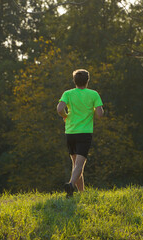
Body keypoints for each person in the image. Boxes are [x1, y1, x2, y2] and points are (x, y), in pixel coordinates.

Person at [57, 69, 104, 198]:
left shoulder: (68, 93)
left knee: (76, 165)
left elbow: (59, 109)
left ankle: (81, 193)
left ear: (74, 81)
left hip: (70, 132)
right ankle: (71, 185)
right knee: (79, 165)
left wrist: (65, 116)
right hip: (84, 133)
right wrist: (93, 109)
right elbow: (100, 114)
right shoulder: (94, 94)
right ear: (87, 81)